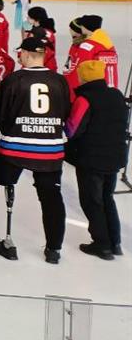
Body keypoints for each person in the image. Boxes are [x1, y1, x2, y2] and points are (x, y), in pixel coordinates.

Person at [0, 36, 70, 264]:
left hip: (14, 147)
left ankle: (8, 240)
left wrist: (13, 129)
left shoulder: (13, 80)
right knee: (52, 197)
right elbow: (65, 111)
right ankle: (53, 249)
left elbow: (2, 114)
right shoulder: (59, 81)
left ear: (25, 54)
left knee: (7, 185)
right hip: (50, 149)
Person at [65, 60, 127, 260]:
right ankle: (115, 242)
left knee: (92, 201)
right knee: (107, 198)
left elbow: (72, 129)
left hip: (91, 160)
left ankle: (102, 244)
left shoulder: (85, 99)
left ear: (83, 76)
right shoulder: (117, 95)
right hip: (114, 157)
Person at [63, 15, 119, 91]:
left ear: (85, 28)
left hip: (93, 93)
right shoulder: (110, 46)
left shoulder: (87, 46)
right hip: (112, 92)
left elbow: (80, 71)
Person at [26, 7, 58, 72]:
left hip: (45, 68)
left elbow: (45, 50)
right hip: (35, 66)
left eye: (29, 17)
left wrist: (31, 60)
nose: (27, 18)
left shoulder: (46, 33)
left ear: (36, 19)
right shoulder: (33, 31)